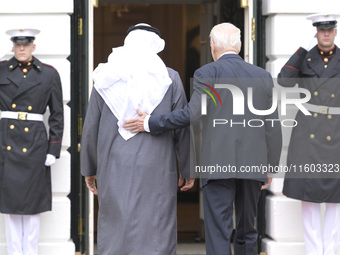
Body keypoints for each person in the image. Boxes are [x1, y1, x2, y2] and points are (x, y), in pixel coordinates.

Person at [124, 23, 282, 255]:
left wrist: (150, 122)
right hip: (253, 164)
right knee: (249, 230)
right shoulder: (263, 75)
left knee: (218, 230)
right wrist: (271, 166)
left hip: (218, 164)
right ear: (238, 46)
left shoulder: (207, 73)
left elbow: (191, 115)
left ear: (213, 46)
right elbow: (272, 124)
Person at [80, 23, 195, 255]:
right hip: (157, 167)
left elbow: (90, 126)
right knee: (156, 227)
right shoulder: (169, 78)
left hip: (113, 166)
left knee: (117, 227)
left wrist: (89, 168)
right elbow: (182, 125)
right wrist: (187, 168)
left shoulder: (105, 77)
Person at [278, 13, 340, 255]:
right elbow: (283, 81)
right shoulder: (306, 57)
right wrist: (302, 49)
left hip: (336, 134)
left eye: (330, 29)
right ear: (315, 32)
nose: (325, 33)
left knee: (336, 201)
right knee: (309, 200)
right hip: (308, 135)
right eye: (321, 30)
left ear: (335, 32)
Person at [0, 29, 64, 255]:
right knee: (11, 205)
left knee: (33, 204)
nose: (22, 49)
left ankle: (31, 252)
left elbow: (57, 113)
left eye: (26, 45)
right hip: (6, 141)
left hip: (35, 143)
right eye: (18, 45)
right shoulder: (1, 70)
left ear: (33, 47)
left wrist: (53, 148)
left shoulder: (48, 74)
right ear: (12, 47)